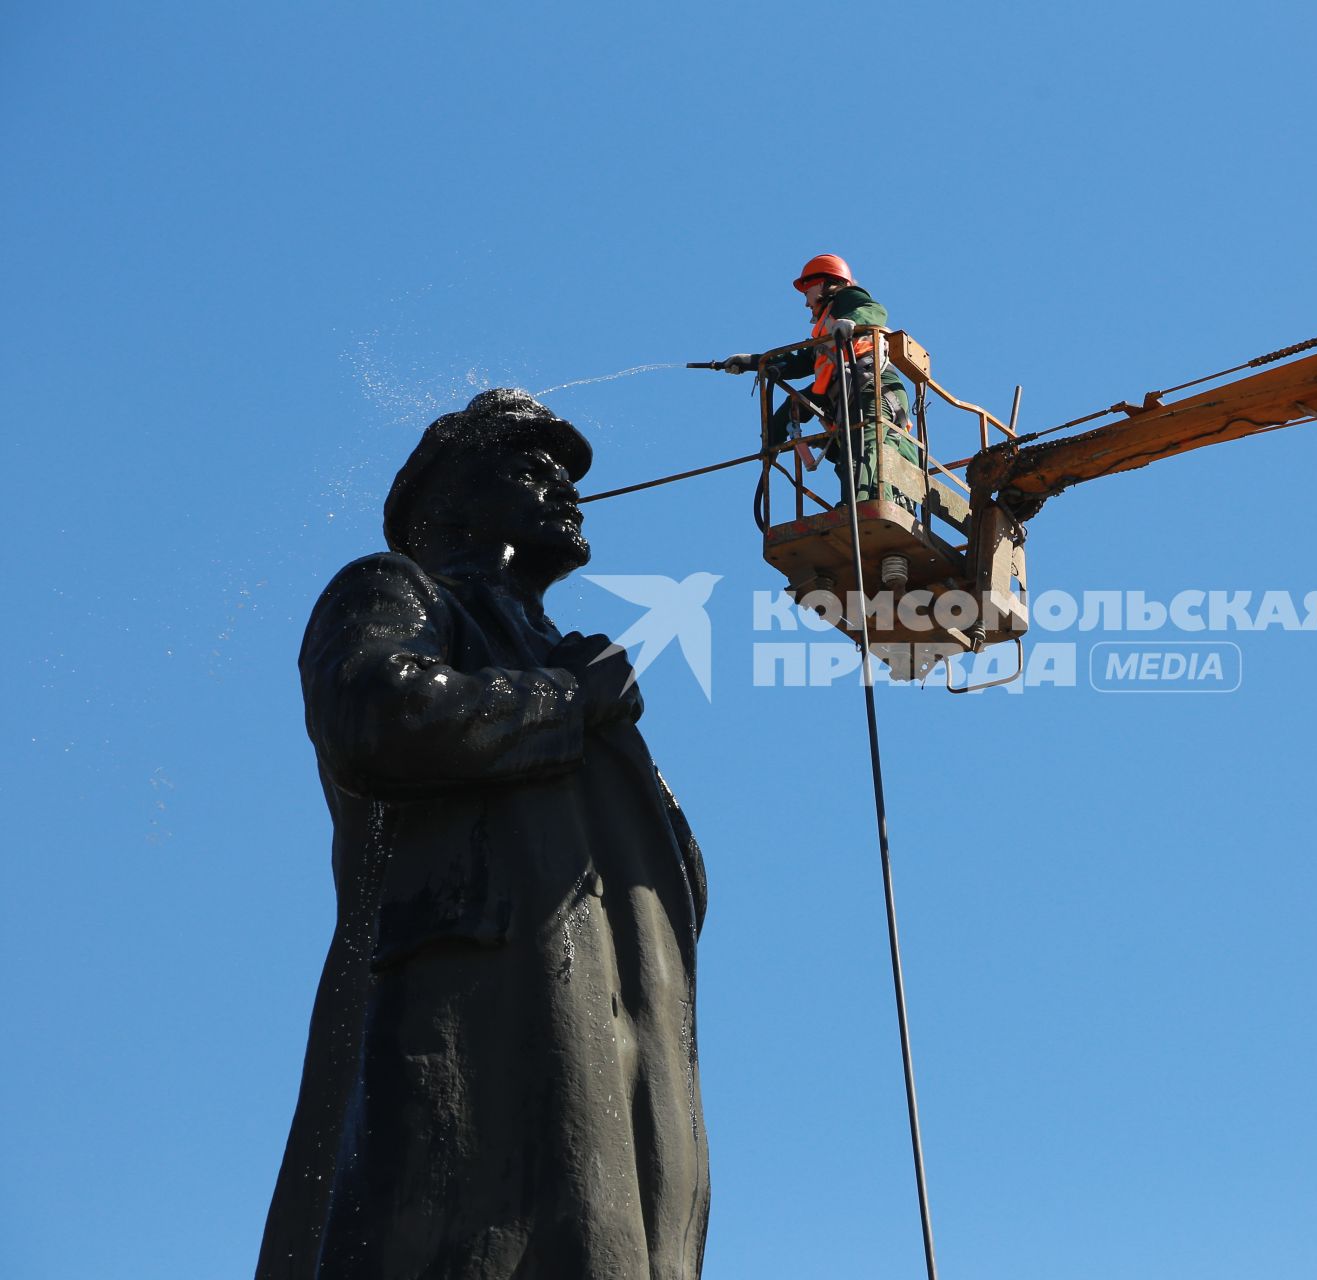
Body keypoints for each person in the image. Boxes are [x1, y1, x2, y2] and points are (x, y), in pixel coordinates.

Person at [256, 389, 710, 1280]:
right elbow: (381, 711)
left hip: (626, 1073)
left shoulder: (575, 666)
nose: (566, 492)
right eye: (530, 471)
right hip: (478, 1028)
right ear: (450, 497)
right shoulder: (397, 589)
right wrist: (569, 701)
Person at [722, 253, 921, 506]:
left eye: (806, 291)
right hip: (846, 391)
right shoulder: (825, 336)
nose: (805, 302)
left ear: (825, 283)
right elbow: (795, 363)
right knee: (831, 436)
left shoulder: (845, 300)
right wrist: (753, 362)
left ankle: (860, 507)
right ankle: (859, 505)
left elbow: (875, 310)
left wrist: (852, 321)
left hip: (873, 387)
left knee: (867, 445)